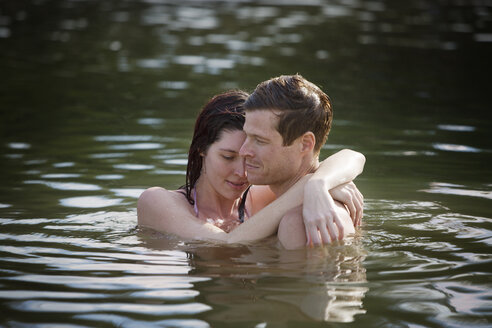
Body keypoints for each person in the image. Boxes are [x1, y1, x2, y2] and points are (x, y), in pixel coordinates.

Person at [137, 88, 365, 248]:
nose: (242, 172)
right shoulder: (157, 202)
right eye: (228, 157)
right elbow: (226, 244)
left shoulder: (263, 196)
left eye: (250, 156)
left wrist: (319, 183)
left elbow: (352, 157)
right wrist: (306, 186)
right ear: (201, 148)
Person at [239, 74, 364, 248]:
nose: (243, 151)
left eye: (260, 141)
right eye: (246, 136)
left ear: (305, 144)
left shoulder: (301, 223)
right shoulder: (266, 199)